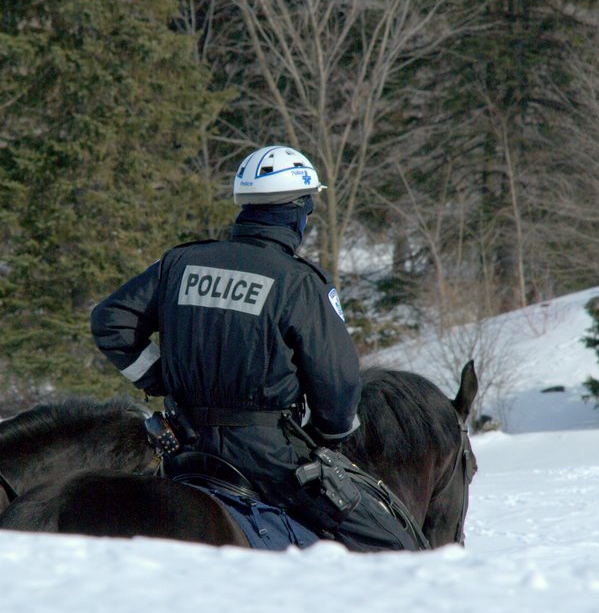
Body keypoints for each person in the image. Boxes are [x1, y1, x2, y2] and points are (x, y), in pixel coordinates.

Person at [90, 146, 420, 551]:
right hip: (268, 462)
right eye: (309, 209)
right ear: (298, 211)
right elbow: (339, 386)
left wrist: (161, 379)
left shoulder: (179, 263)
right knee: (392, 545)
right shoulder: (300, 283)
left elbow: (110, 322)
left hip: (184, 450)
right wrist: (325, 434)